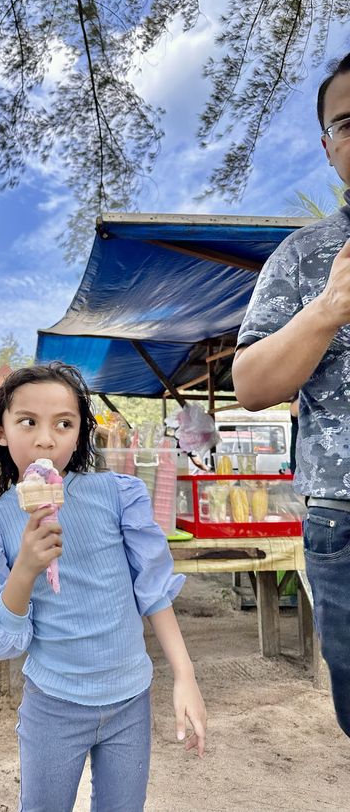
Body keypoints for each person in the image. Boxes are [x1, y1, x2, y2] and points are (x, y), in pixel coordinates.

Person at [0, 362, 206, 811]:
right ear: (1, 431)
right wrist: (25, 569)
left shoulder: (117, 495)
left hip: (130, 700)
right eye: (27, 422)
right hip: (53, 704)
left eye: (64, 424)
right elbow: (0, 641)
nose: (45, 439)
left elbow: (151, 590)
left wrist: (184, 676)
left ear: (78, 435)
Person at [233, 52, 350, 738]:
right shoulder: (305, 256)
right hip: (344, 518)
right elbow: (249, 384)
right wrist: (327, 310)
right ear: (329, 147)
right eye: (347, 122)